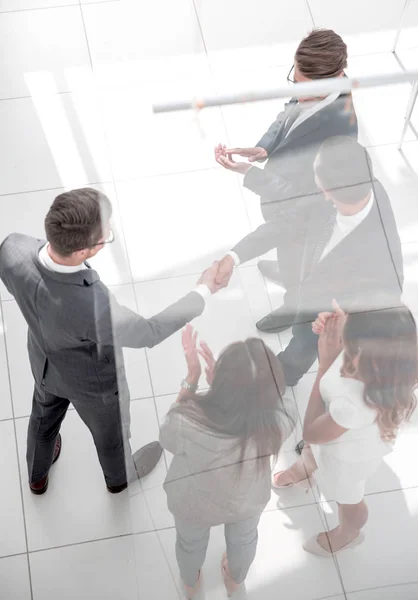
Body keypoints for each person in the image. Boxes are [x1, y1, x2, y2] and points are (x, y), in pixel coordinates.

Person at [0, 188, 222, 495]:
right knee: (110, 437)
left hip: (43, 363)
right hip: (93, 386)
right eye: (106, 236)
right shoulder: (94, 306)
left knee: (43, 416)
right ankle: (118, 479)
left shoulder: (12, 248)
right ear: (83, 252)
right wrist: (202, 292)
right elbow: (148, 332)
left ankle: (37, 477)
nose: (109, 236)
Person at [213, 136, 403, 388]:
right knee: (297, 294)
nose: (310, 178)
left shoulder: (381, 248)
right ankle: (291, 303)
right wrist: (233, 257)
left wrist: (345, 317)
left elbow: (389, 295)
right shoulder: (355, 184)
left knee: (302, 344)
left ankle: (284, 376)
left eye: (314, 174)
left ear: (327, 192)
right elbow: (288, 215)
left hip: (326, 310)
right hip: (307, 273)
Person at [214, 28, 358, 332]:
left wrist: (248, 173)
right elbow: (287, 114)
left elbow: (306, 199)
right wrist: (264, 147)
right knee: (288, 255)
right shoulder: (308, 89)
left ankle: (293, 304)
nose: (297, 91)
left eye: (305, 87)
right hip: (280, 193)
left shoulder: (340, 131)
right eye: (296, 80)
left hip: (304, 215)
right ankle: (285, 267)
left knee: (298, 262)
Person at [159, 325, 294, 598]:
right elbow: (259, 404)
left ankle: (190, 582)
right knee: (243, 541)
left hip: (193, 504)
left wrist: (193, 378)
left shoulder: (188, 421)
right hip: (246, 501)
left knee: (190, 544)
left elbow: (167, 439)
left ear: (220, 383)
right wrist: (229, 388)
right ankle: (235, 580)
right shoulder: (281, 421)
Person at [273, 302, 418, 556]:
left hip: (346, 458)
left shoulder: (355, 403)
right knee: (312, 452)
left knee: (347, 498)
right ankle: (304, 471)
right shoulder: (376, 362)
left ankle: (348, 532)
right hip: (334, 436)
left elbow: (311, 433)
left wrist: (324, 365)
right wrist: (330, 330)